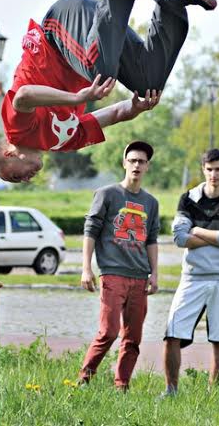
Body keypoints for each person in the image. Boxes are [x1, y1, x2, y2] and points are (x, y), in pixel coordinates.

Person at [0, 0, 217, 182]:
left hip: (60, 28)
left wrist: (76, 97)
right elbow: (114, 114)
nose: (26, 179)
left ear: (9, 153)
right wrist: (134, 107)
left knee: (100, 74)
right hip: (97, 36)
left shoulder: (17, 131)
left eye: (15, 176)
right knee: (149, 85)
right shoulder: (63, 141)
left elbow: (24, 96)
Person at [163, 149, 219, 396]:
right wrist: (215, 237)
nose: (214, 174)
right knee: (172, 334)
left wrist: (197, 230)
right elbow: (179, 238)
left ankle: (215, 394)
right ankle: (171, 390)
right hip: (192, 277)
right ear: (203, 170)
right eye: (209, 169)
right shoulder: (188, 199)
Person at [78, 141, 160, 390]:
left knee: (133, 337)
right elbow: (90, 230)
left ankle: (121, 385)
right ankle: (84, 379)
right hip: (113, 274)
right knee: (109, 331)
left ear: (147, 167)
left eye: (142, 161)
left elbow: (152, 239)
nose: (137, 165)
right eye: (133, 160)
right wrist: (86, 267)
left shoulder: (151, 202)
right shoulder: (107, 194)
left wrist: (154, 273)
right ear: (124, 163)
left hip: (139, 276)